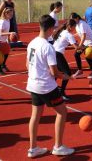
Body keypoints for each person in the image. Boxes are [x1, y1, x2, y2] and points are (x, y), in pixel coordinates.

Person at [26, 15, 74, 158]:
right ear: (49, 29)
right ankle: (58, 146)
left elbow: (27, 65)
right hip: (46, 86)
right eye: (54, 28)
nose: (54, 30)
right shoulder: (48, 47)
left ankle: (33, 148)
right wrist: (66, 76)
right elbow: (54, 72)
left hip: (33, 84)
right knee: (62, 112)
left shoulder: (32, 43)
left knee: (35, 116)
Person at [53, 19, 79, 101]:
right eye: (74, 27)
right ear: (70, 27)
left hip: (53, 52)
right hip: (57, 54)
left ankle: (50, 89)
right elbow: (77, 48)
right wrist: (85, 47)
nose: (75, 28)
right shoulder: (69, 35)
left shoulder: (63, 31)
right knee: (67, 73)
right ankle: (61, 92)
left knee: (57, 73)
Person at [70, 13, 92, 79]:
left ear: (77, 18)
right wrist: (72, 36)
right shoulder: (77, 24)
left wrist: (79, 46)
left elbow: (84, 35)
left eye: (73, 19)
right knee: (76, 54)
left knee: (88, 56)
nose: (72, 21)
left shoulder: (82, 24)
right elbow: (80, 33)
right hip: (86, 42)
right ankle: (80, 70)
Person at [0, 7, 16, 74]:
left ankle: (2, 65)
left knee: (7, 51)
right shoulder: (3, 22)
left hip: (3, 40)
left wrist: (8, 40)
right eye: (10, 14)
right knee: (1, 55)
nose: (12, 16)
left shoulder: (8, 21)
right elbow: (1, 33)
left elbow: (6, 32)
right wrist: (11, 33)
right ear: (6, 14)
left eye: (12, 14)